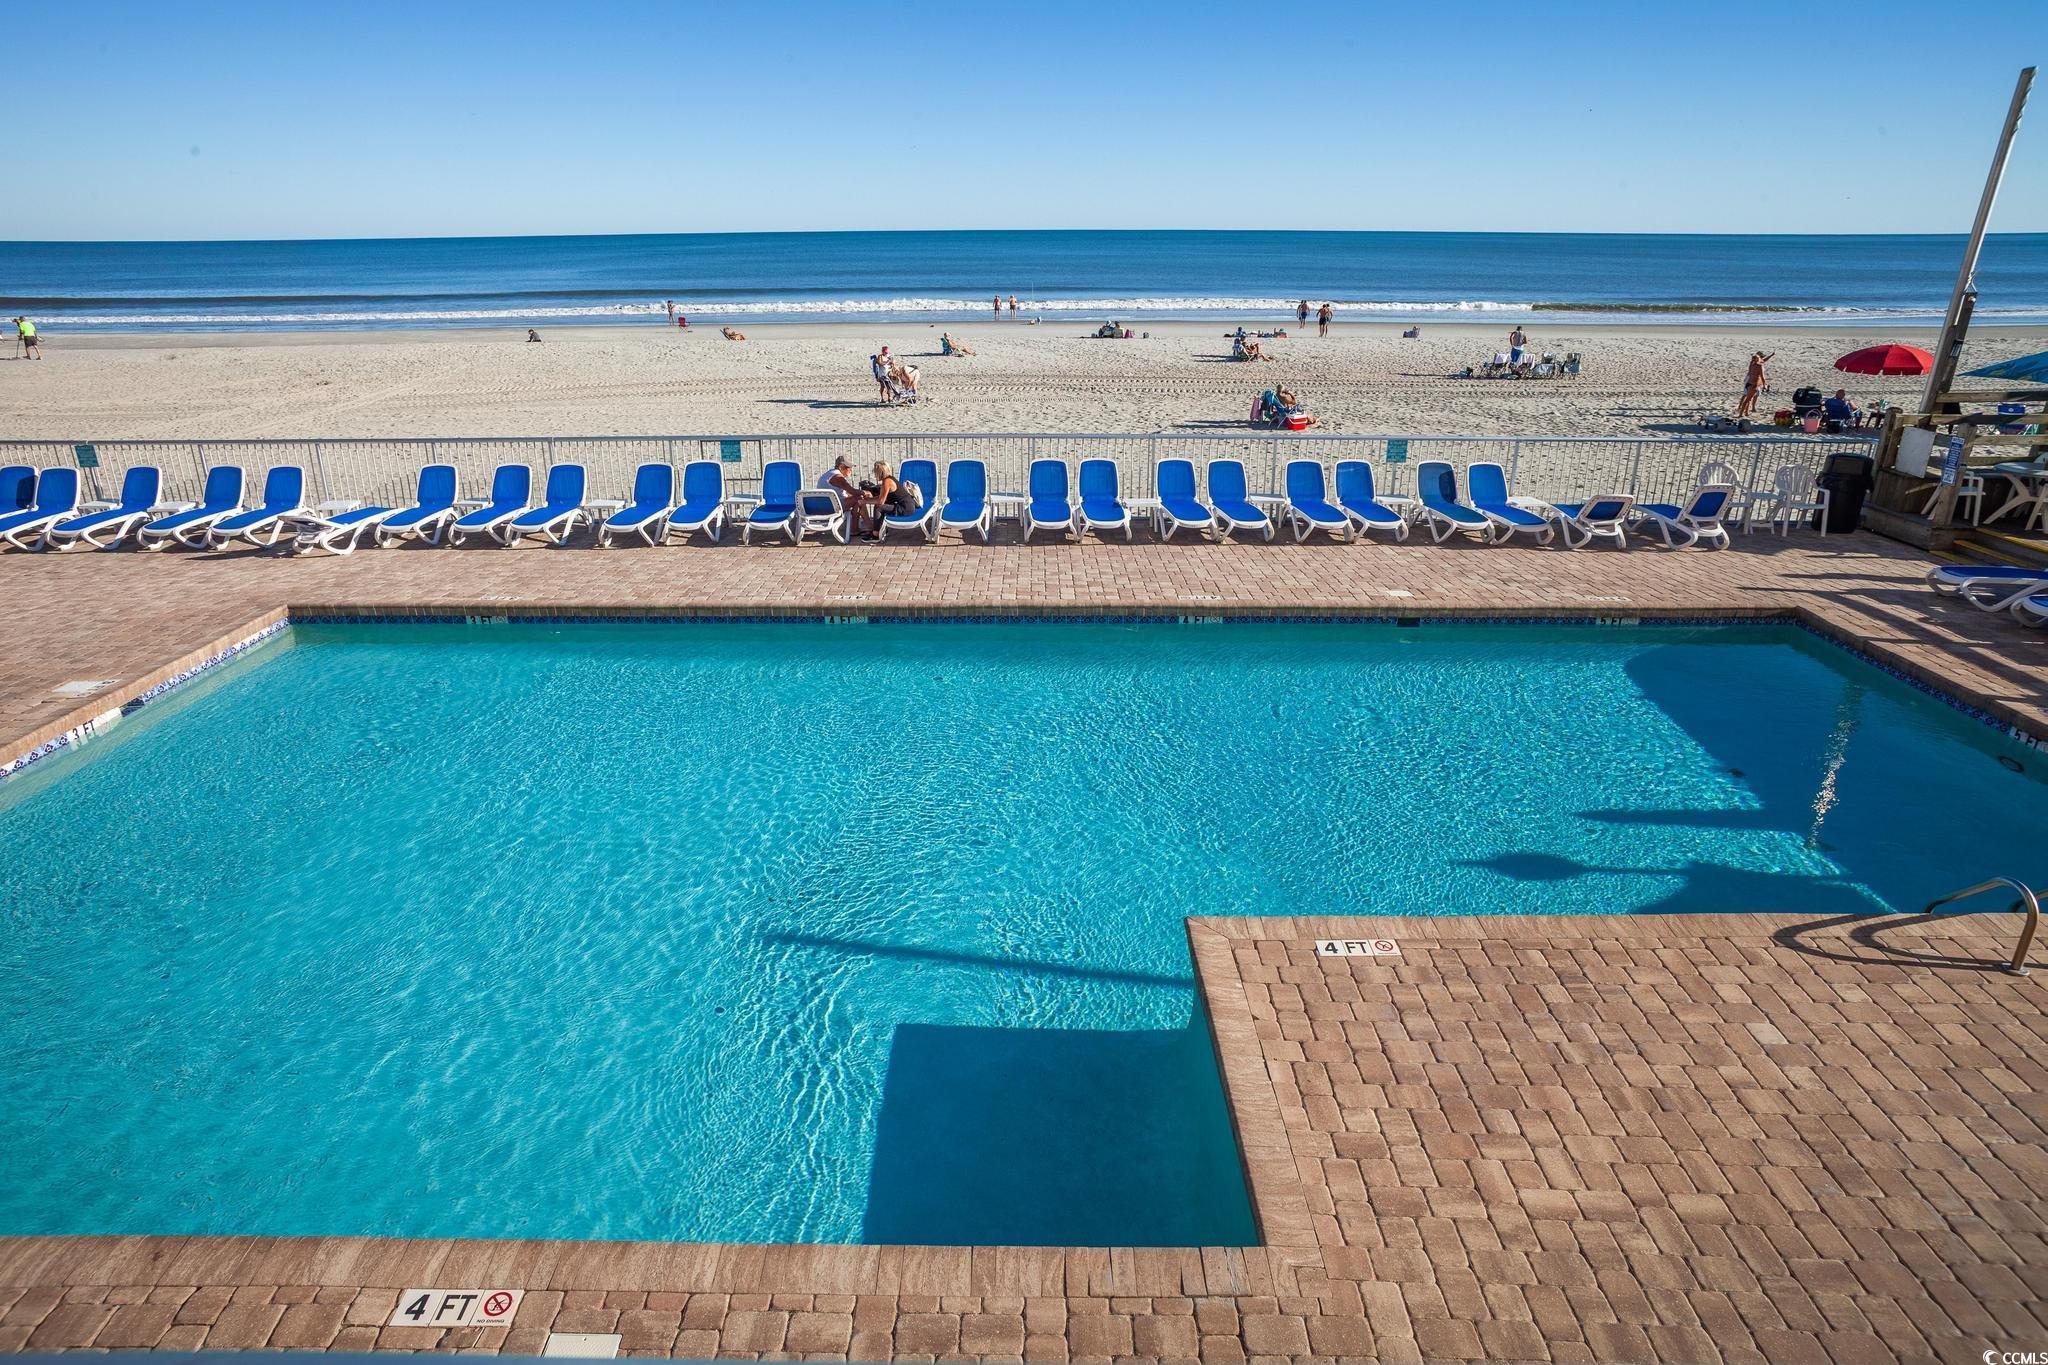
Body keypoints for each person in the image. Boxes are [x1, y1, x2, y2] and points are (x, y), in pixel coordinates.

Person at [823, 455, 870, 530]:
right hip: (833, 506)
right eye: (848, 467)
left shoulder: (828, 474)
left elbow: (847, 492)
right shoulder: (838, 478)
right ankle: (870, 527)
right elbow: (852, 491)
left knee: (857, 500)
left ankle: (855, 529)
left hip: (824, 505)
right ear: (841, 467)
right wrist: (865, 493)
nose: (850, 470)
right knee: (860, 499)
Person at [1737, 350, 1774, 418]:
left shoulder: (1751, 364)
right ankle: (1741, 414)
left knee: (1748, 399)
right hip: (1754, 385)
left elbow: (1762, 360)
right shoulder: (1759, 366)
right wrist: (1764, 385)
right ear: (1759, 359)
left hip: (1749, 383)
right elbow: (1762, 377)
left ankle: (1746, 412)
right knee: (1747, 400)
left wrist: (1771, 355)